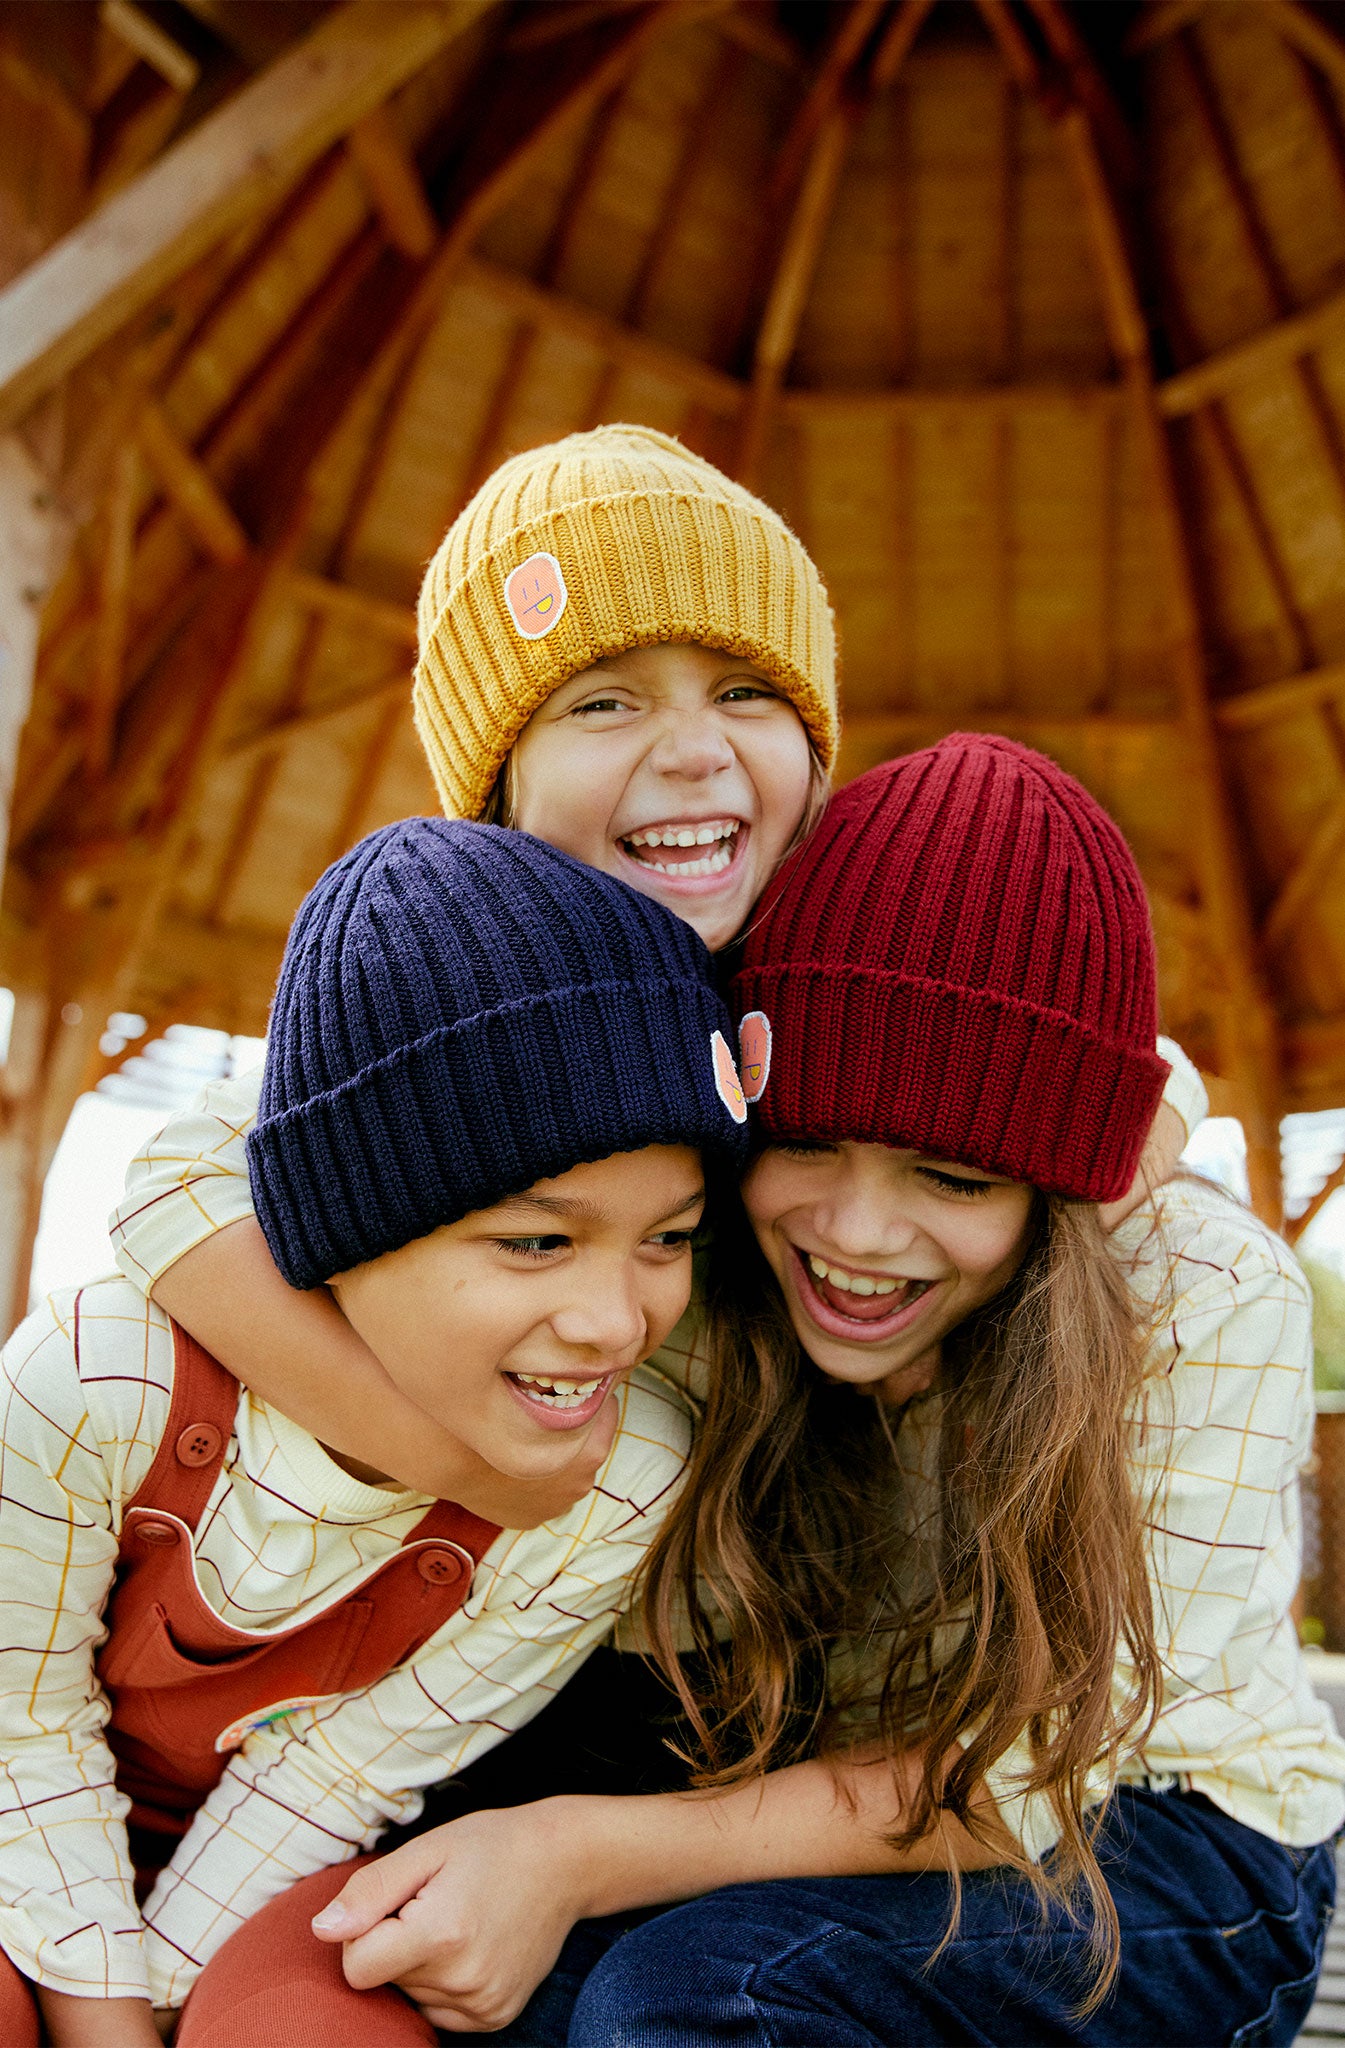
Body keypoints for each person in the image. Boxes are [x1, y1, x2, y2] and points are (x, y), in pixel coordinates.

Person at [294, 737, 1345, 2047]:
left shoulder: (1200, 1296)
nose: (857, 1234)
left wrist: (572, 1853)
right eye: (805, 1144)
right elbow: (259, 1165)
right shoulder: (704, 1236)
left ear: (1060, 1185)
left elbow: (1022, 1785)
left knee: (697, 2002)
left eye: (952, 1179)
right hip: (831, 1786)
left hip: (1149, 1828)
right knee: (490, 1985)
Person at [0, 817, 750, 2048]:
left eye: (667, 1238)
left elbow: (335, 1778)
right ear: (345, 1221)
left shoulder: (615, 1480)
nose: (618, 1320)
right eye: (536, 1240)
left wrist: (164, 2004)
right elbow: (20, 1727)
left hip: (276, 1871)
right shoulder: (99, 1376)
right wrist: (107, 2027)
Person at [108, 423, 838, 1520]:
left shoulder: (853, 967)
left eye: (745, 692)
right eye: (603, 701)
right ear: (496, 788)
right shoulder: (443, 1009)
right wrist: (450, 1464)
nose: (695, 751)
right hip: (533, 1592)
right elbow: (175, 1183)